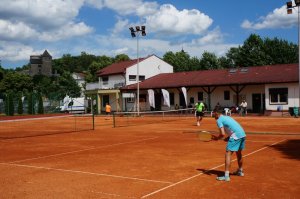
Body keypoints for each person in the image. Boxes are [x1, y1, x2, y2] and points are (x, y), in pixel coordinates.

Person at [213, 110, 246, 182]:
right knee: (238, 153)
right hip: (242, 134)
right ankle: (240, 171)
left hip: (236, 136)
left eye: (213, 114)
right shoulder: (227, 117)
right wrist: (228, 138)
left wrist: (217, 138)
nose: (213, 116)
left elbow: (222, 134)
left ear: (216, 114)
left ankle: (226, 176)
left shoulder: (219, 120)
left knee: (228, 153)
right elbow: (232, 128)